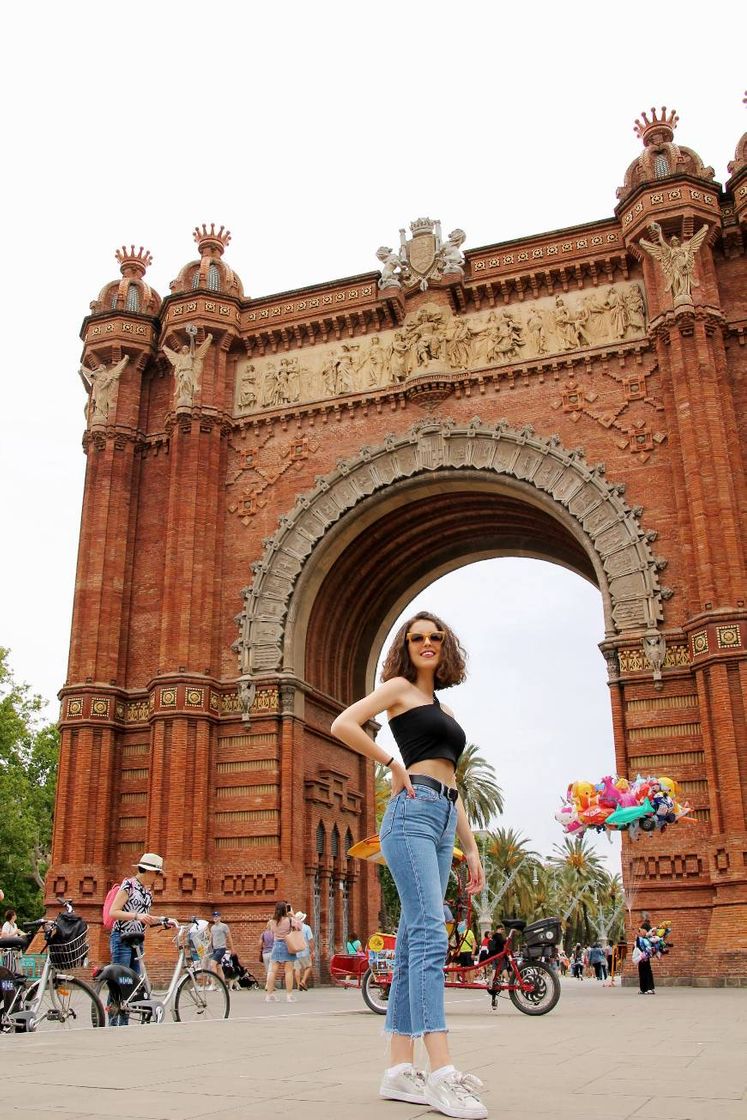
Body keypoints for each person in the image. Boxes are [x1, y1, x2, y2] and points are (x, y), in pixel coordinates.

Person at [332, 610, 488, 1119]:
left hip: (442, 816)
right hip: (412, 809)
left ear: (445, 647)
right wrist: (390, 762)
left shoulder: (437, 702)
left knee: (412, 939)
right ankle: (442, 1071)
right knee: (428, 932)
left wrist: (473, 847)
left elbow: (455, 782)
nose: (426, 643)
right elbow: (343, 723)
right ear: (407, 646)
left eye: (434, 637)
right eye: (417, 637)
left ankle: (400, 1070)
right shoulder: (398, 688)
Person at [107, 852, 164, 1025]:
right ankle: (113, 1022)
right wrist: (137, 916)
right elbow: (114, 912)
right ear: (148, 871)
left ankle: (123, 1023)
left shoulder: (147, 892)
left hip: (137, 942)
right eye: (157, 873)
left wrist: (162, 920)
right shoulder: (129, 885)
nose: (157, 877)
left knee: (132, 983)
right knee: (119, 981)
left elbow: (144, 916)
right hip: (122, 938)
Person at [265, 902, 300, 1003]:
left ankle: (269, 995)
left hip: (276, 945)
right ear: (285, 910)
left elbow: (270, 930)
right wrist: (293, 915)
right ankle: (289, 995)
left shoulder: (272, 921)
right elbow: (299, 927)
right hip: (287, 945)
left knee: (272, 971)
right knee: (288, 971)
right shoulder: (289, 920)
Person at [209, 911, 233, 984]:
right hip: (215, 949)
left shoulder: (224, 926)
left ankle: (214, 984)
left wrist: (232, 948)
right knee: (219, 967)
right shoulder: (212, 927)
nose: (215, 918)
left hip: (221, 948)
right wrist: (208, 946)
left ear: (220, 917)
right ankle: (222, 985)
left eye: (216, 916)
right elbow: (211, 938)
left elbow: (229, 937)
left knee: (212, 964)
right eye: (214, 916)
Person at [294, 911, 314, 991]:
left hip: (295, 951)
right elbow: (311, 940)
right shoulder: (306, 927)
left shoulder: (293, 928)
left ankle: (298, 985)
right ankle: (303, 981)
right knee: (308, 966)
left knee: (297, 968)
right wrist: (312, 951)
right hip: (304, 950)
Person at [636, 926, 656, 995]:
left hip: (645, 958)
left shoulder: (646, 939)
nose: (639, 932)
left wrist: (645, 955)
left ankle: (650, 988)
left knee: (647, 972)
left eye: (640, 931)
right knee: (641, 973)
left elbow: (648, 948)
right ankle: (643, 989)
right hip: (640, 958)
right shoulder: (638, 939)